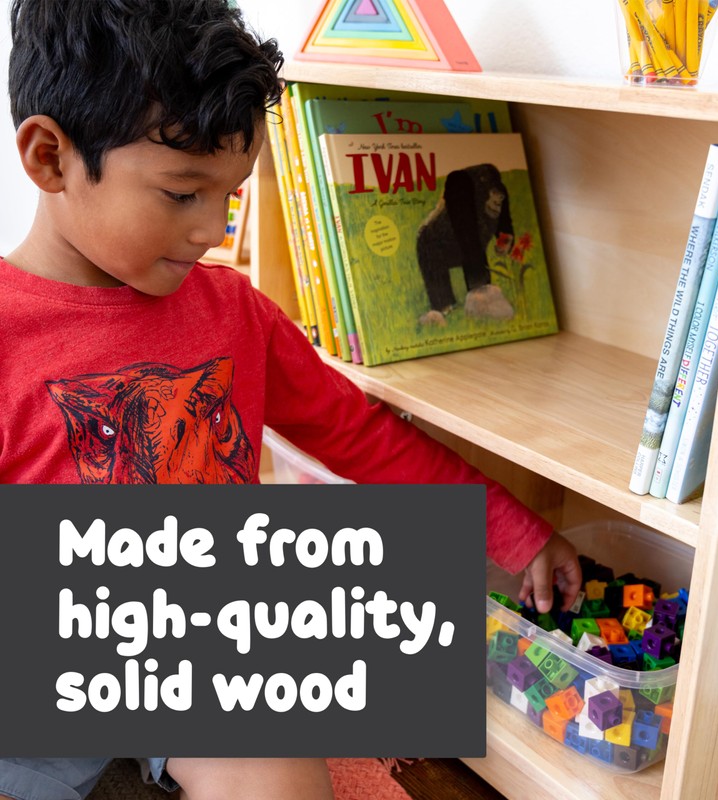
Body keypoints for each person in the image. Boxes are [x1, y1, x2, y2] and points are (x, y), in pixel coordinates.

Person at [0, 0, 582, 798]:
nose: (212, 229)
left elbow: (361, 434)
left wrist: (514, 533)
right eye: (182, 194)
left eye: (231, 196)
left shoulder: (235, 312)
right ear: (49, 158)